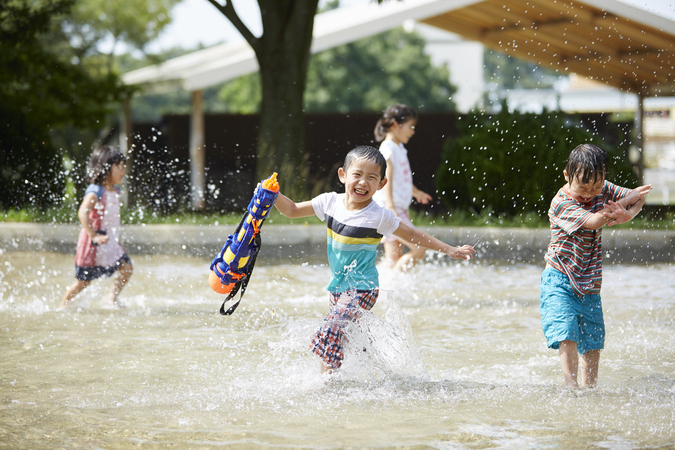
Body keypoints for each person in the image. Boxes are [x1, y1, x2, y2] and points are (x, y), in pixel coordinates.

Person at [274, 145, 476, 373]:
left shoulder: (379, 215)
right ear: (343, 175)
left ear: (381, 185)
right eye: (357, 175)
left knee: (333, 328)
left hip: (363, 289)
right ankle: (378, 374)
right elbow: (291, 210)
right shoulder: (329, 203)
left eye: (371, 178)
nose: (363, 183)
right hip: (338, 289)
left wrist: (449, 249)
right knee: (351, 338)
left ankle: (325, 385)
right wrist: (272, 194)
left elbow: (412, 235)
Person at [540, 143, 652, 388]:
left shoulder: (602, 188)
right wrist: (624, 203)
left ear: (603, 178)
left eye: (597, 187)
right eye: (582, 187)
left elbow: (638, 196)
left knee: (593, 339)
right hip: (560, 277)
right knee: (566, 332)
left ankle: (590, 389)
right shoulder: (561, 202)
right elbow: (593, 221)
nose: (589, 194)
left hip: (590, 281)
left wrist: (629, 213)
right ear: (567, 176)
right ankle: (571, 387)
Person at [61, 146, 133, 308]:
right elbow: (82, 213)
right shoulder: (96, 191)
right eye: (119, 167)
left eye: (124, 167)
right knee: (84, 282)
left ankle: (111, 298)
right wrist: (93, 235)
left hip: (110, 243)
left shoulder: (115, 190)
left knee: (127, 268)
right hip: (93, 244)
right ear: (105, 168)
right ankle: (63, 306)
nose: (123, 171)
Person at [372, 104, 433, 271]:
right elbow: (387, 179)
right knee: (420, 248)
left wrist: (415, 192)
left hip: (395, 210)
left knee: (392, 258)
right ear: (394, 125)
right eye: (410, 127)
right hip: (391, 210)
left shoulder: (399, 148)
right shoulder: (388, 149)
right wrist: (391, 208)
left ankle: (383, 288)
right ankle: (394, 281)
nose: (413, 131)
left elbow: (401, 178)